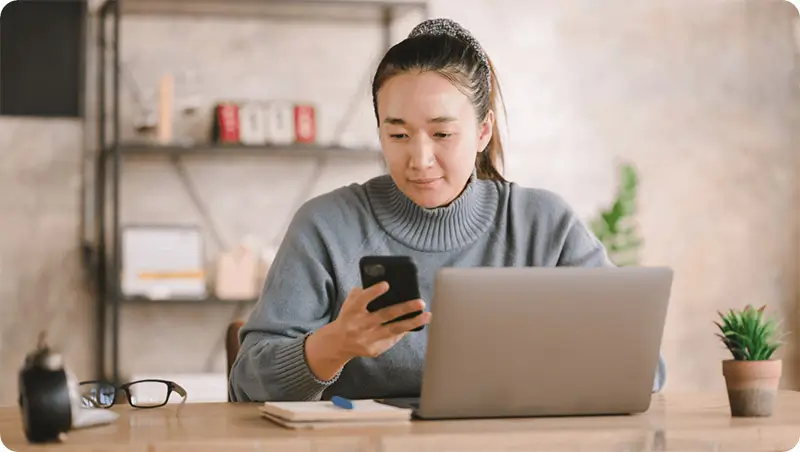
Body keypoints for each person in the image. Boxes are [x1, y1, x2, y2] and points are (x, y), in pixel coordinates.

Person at [228, 18, 666, 402]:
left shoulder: (543, 226)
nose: (419, 160)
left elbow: (645, 368)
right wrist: (335, 344)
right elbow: (246, 386)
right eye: (397, 136)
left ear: (482, 131)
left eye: (442, 134)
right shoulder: (326, 226)